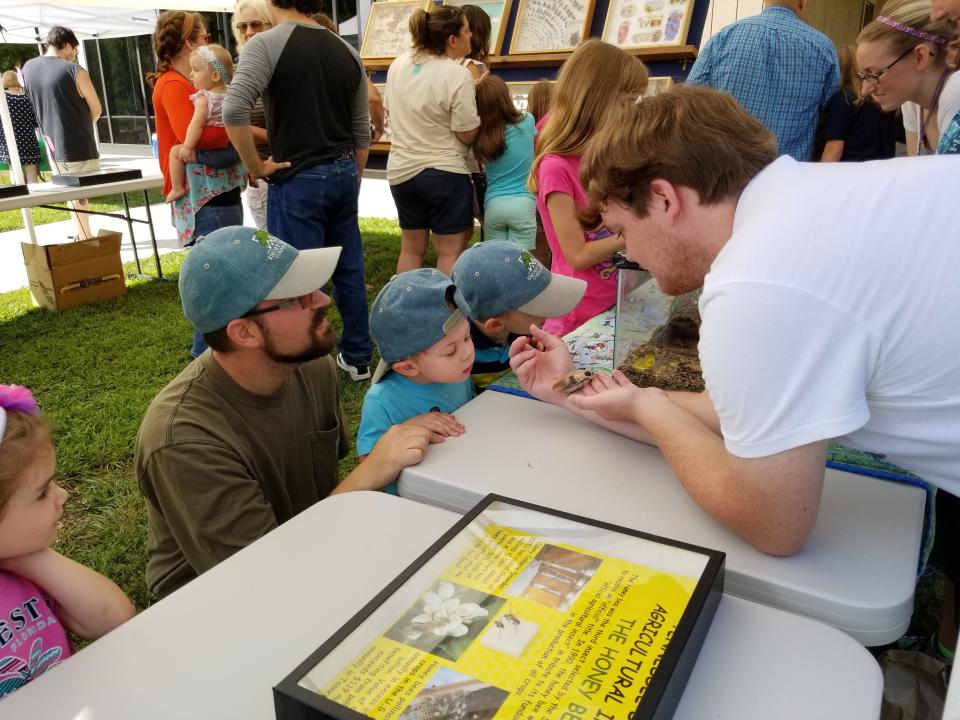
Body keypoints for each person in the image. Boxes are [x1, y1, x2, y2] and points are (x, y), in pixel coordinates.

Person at [510, 84, 960, 659]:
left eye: (625, 228)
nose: (630, 253)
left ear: (666, 199)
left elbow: (775, 524)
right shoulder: (811, 196)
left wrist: (649, 406)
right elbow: (741, 418)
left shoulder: (755, 281)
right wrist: (577, 394)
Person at [135, 226, 435, 599]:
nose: (323, 299)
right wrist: (370, 472)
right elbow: (262, 578)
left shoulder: (310, 366)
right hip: (218, 601)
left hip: (315, 551)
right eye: (297, 298)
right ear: (244, 333)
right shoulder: (183, 438)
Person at [225, 0, 374, 383]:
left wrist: (255, 166)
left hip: (298, 175)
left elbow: (233, 109)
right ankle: (358, 357)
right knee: (349, 270)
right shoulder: (345, 49)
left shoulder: (265, 44)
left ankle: (306, 365)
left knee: (294, 277)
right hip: (343, 169)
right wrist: (351, 178)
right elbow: (362, 129)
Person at [0, 385, 134, 699]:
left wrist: (31, 559)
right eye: (43, 492)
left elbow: (113, 619)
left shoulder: (23, 565)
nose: (63, 495)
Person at [149, 11, 246, 359]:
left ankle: (211, 352)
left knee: (219, 271)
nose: (210, 41)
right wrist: (244, 136)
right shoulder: (176, 84)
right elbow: (198, 137)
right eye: (205, 36)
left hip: (215, 189)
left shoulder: (192, 84)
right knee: (215, 275)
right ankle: (205, 353)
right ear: (190, 43)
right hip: (205, 193)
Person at [528, 40, 641, 336]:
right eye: (627, 103)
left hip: (614, 303)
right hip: (576, 316)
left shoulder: (603, 157)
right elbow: (576, 255)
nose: (631, 113)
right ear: (597, 100)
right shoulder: (556, 167)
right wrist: (630, 231)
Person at [357, 269, 476, 495]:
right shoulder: (381, 402)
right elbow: (367, 468)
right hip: (414, 501)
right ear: (409, 367)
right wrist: (407, 429)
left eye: (467, 337)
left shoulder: (457, 373)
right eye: (451, 351)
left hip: (464, 479)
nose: (467, 353)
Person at [384, 5, 480, 277]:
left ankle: (404, 308)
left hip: (401, 171)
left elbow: (391, 110)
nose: (471, 34)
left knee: (411, 249)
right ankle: (445, 316)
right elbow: (466, 133)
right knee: (449, 251)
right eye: (466, 30)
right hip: (444, 172)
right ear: (452, 40)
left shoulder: (398, 64)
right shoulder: (457, 74)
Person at [686, 0, 839, 161]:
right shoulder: (823, 49)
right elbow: (835, 114)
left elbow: (688, 104)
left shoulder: (724, 37)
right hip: (788, 176)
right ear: (802, 2)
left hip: (727, 171)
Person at [451, 240, 585, 388]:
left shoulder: (518, 330)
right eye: (537, 308)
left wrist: (534, 347)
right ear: (496, 324)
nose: (546, 315)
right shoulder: (458, 353)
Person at [21, 26, 102, 238]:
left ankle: (80, 232)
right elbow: (97, 109)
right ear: (66, 45)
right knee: (82, 193)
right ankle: (86, 237)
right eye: (74, 49)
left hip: (50, 142)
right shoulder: (74, 70)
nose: (74, 54)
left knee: (69, 191)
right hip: (78, 143)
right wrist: (85, 124)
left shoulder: (28, 68)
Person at [857, 1, 959, 154]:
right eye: (863, 76)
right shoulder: (912, 102)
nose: (865, 90)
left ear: (920, 57)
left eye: (874, 74)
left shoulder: (956, 91)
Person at [473, 76, 537, 249]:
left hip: (494, 205)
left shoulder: (481, 136)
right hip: (524, 203)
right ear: (506, 97)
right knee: (523, 265)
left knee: (498, 263)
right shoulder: (528, 121)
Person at [165, 45, 235, 203]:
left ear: (215, 75)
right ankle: (248, 175)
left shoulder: (204, 98)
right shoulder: (232, 93)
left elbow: (197, 124)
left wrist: (188, 147)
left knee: (175, 152)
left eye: (195, 70)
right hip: (233, 151)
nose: (190, 74)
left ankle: (177, 188)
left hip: (213, 155)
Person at [231, 0, 274, 230]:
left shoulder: (283, 62)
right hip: (263, 176)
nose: (249, 32)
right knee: (273, 249)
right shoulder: (237, 72)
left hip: (300, 172)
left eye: (256, 24)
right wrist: (254, 164)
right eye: (242, 27)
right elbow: (231, 124)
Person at [820, 45, 898, 162]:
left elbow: (833, 149)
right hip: (883, 171)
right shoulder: (881, 98)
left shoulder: (843, 99)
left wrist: (821, 178)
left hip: (852, 173)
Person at [0, 71, 41, 183]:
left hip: (9, 140)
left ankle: (19, 196)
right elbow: (36, 122)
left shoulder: (2, 98)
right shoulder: (29, 99)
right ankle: (36, 197)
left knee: (15, 170)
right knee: (31, 169)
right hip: (28, 139)